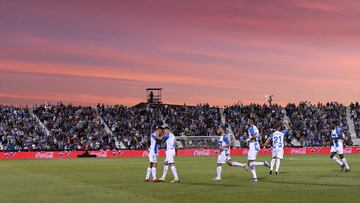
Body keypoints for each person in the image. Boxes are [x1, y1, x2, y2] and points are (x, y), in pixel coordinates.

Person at [247, 118, 270, 182]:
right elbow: (258, 136)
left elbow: (254, 136)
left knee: (250, 164)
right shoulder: (255, 128)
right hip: (255, 145)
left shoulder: (251, 128)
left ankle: (264, 163)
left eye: (248, 120)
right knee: (250, 163)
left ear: (251, 121)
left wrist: (247, 139)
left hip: (253, 145)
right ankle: (255, 178)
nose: (247, 121)